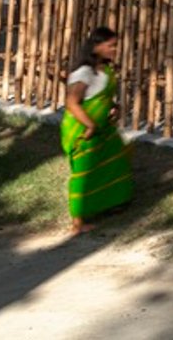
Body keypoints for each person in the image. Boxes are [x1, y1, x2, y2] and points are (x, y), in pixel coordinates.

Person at [62, 26, 133, 236]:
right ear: (96, 46)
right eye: (110, 46)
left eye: (115, 45)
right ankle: (77, 223)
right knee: (83, 174)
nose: (114, 49)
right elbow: (72, 103)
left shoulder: (106, 70)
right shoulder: (84, 73)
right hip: (84, 131)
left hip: (104, 128)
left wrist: (114, 107)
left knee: (116, 159)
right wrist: (91, 125)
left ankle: (112, 203)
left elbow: (101, 96)